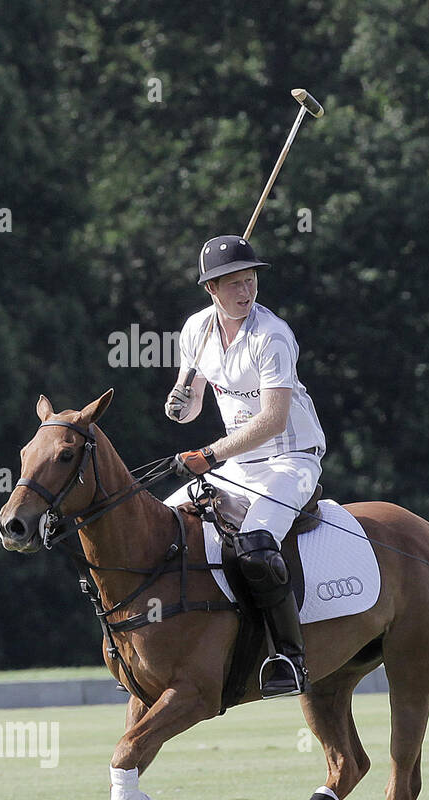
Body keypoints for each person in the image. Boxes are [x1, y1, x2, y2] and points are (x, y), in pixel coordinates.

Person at [164, 234, 326, 697]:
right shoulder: (196, 331)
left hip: (290, 458)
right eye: (233, 283)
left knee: (256, 546)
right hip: (237, 462)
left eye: (250, 279)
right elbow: (190, 404)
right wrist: (178, 404)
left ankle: (289, 660)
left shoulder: (272, 336)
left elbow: (273, 420)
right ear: (211, 289)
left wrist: (211, 454)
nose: (245, 291)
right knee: (166, 528)